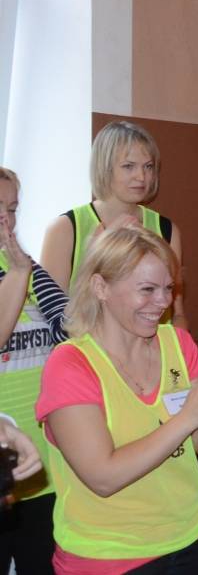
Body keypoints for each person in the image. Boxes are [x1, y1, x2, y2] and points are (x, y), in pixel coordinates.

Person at [36, 225, 198, 573]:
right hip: (109, 556)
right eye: (147, 289)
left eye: (168, 288)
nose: (163, 302)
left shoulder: (178, 343)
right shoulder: (71, 364)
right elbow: (103, 477)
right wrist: (189, 417)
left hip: (189, 538)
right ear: (101, 287)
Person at [41, 120, 188, 328]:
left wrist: (177, 344)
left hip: (153, 345)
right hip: (86, 343)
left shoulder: (167, 230)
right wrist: (98, 254)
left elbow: (177, 313)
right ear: (104, 168)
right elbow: (50, 316)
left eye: (148, 167)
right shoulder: (64, 229)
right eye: (129, 166)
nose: (141, 176)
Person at [0, 167, 69, 574]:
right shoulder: (20, 268)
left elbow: (69, 327)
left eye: (12, 209)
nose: (6, 221)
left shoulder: (26, 265)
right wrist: (18, 275)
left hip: (44, 463)